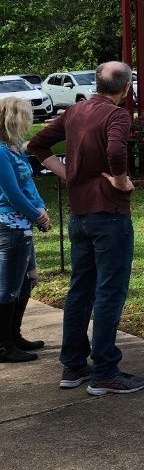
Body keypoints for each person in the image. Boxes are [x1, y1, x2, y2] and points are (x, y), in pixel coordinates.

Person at [28, 61, 144, 396]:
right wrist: (122, 181)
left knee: (80, 289)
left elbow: (36, 145)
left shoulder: (75, 111)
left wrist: (66, 174)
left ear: (97, 84)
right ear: (126, 89)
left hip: (79, 216)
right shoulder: (118, 115)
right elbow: (115, 150)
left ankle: (74, 365)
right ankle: (105, 371)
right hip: (108, 214)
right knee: (109, 291)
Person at [0, 97, 52, 363]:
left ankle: (15, 335)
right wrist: (37, 215)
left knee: (27, 280)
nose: (29, 121)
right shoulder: (0, 152)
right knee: (8, 286)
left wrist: (40, 208)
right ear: (13, 118)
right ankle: (3, 344)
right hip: (9, 226)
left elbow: (28, 186)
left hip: (23, 224)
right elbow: (12, 195)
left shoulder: (15, 149)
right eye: (26, 115)